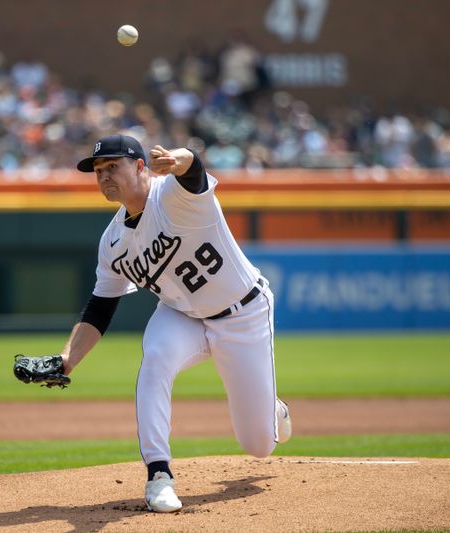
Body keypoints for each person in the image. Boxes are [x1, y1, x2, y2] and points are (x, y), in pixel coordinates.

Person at [60, 133, 291, 512]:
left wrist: (181, 156)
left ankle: (271, 409)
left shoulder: (172, 194)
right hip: (182, 315)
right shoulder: (113, 240)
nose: (104, 176)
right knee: (155, 358)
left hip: (243, 313)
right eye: (98, 170)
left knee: (258, 445)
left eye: (112, 166)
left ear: (139, 166)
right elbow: (100, 307)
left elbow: (193, 170)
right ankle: (158, 475)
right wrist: (68, 358)